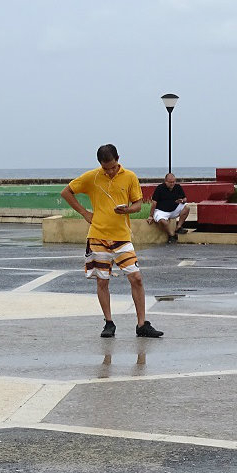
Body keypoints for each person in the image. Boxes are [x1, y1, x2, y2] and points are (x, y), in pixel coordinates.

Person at [60, 144, 164, 338]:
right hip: (98, 236)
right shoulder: (92, 177)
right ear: (100, 164)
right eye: (106, 168)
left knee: (136, 277)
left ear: (118, 159)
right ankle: (109, 323)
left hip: (122, 237)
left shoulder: (130, 176)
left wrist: (127, 210)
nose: (110, 171)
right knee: (102, 281)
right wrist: (84, 213)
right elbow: (66, 192)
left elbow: (138, 204)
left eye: (113, 167)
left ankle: (142, 324)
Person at [148, 173, 190, 243]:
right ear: (166, 181)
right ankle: (172, 235)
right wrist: (150, 216)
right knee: (162, 221)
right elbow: (154, 203)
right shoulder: (159, 188)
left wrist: (182, 201)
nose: (172, 184)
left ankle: (178, 227)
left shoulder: (178, 187)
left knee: (187, 207)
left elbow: (185, 198)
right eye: (170, 182)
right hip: (162, 211)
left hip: (174, 209)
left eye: (174, 182)